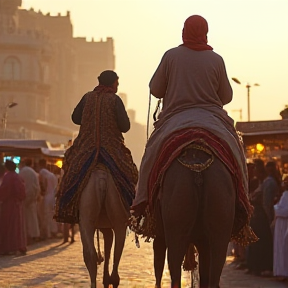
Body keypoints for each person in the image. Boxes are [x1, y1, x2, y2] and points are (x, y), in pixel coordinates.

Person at [131, 15, 255, 244]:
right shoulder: (216, 59)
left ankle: (143, 204)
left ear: (184, 31)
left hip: (175, 119)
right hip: (213, 120)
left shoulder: (171, 56)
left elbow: (155, 89)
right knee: (237, 153)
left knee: (151, 153)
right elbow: (226, 96)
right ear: (205, 32)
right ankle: (242, 206)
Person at [54, 70, 138, 224]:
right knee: (130, 174)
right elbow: (125, 127)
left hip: (86, 148)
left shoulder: (87, 97)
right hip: (112, 149)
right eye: (117, 84)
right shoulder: (115, 99)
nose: (117, 87)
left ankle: (66, 208)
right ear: (112, 83)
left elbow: (75, 118)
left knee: (70, 172)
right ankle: (133, 211)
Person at [0, 160, 26, 255]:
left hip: (9, 203)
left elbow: (4, 190)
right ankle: (19, 245)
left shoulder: (8, 177)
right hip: (17, 203)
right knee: (17, 225)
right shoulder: (17, 176)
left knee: (8, 225)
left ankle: (9, 246)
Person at [19, 158, 41, 244]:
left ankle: (27, 236)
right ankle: (34, 235)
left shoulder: (22, 171)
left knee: (25, 218)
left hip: (24, 197)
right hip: (32, 197)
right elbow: (37, 186)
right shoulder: (33, 172)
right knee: (33, 217)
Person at [38, 159, 58, 240]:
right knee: (52, 215)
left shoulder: (42, 172)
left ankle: (47, 233)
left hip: (46, 197)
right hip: (53, 197)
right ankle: (54, 231)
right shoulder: (52, 175)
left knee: (45, 215)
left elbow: (42, 184)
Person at [273, 176, 288, 279]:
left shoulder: (286, 195)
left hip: (284, 224)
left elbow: (284, 211)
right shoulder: (284, 194)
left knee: (283, 247)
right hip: (280, 224)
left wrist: (275, 207)